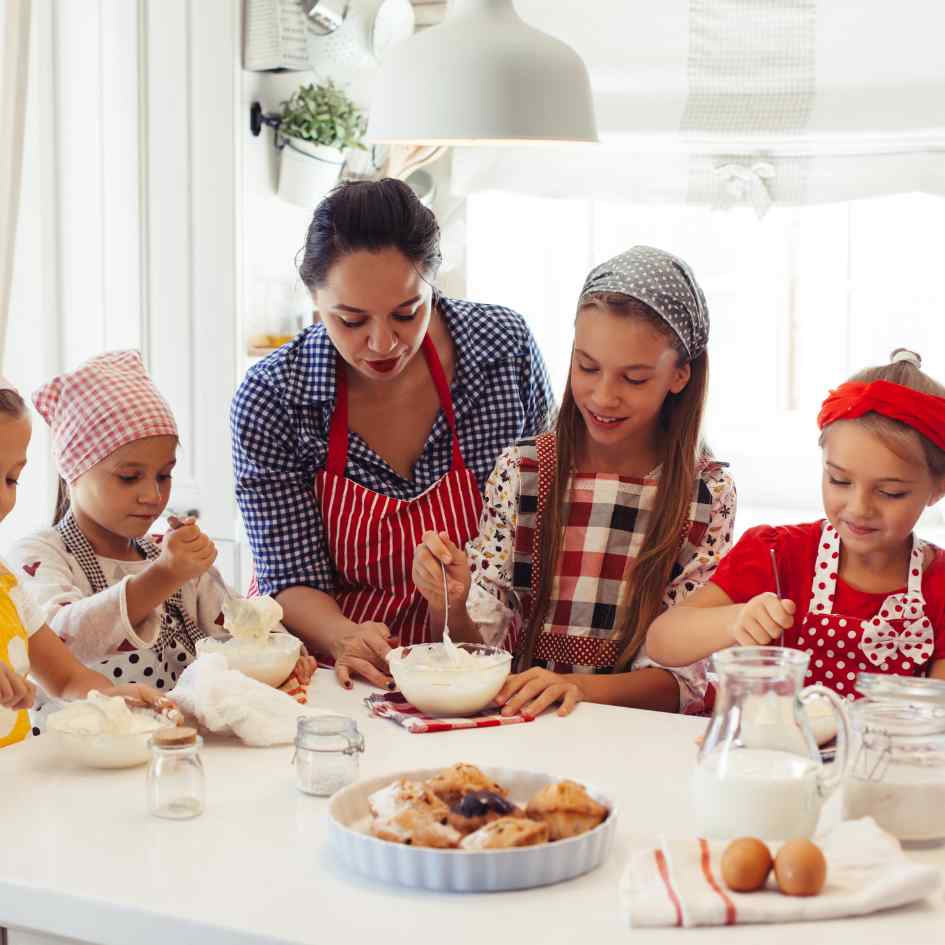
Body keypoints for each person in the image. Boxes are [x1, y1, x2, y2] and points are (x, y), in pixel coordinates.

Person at [231, 178, 554, 689]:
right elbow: (289, 575)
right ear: (315, 300)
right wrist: (344, 636)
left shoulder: (501, 352)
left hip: (478, 664)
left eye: (407, 313)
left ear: (432, 281)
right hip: (340, 670)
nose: (382, 343)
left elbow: (542, 521)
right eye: (351, 320)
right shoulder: (275, 396)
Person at [413, 246, 736, 717]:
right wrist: (451, 602)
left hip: (634, 743)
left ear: (680, 375)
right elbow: (470, 656)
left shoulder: (706, 496)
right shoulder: (522, 473)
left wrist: (576, 689)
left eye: (635, 378)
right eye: (586, 367)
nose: (603, 396)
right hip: (524, 729)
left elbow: (681, 684)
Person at [9, 352, 313, 731]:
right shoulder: (40, 555)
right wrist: (163, 576)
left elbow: (237, 625)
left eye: (164, 476)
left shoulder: (171, 558)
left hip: (176, 743)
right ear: (74, 471)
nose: (152, 495)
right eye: (129, 477)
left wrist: (281, 649)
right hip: (86, 753)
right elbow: (63, 640)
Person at [646, 348, 945, 696]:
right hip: (768, 749)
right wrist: (734, 620)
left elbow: (936, 717)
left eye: (891, 492)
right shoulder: (775, 554)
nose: (859, 508)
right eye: (839, 481)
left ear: (937, 489)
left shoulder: (938, 586)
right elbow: (662, 641)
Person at [0, 378, 169, 746]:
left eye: (11, 479)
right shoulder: (38, 554)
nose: (2, 497)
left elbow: (67, 678)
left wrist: (109, 698)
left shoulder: (6, 586)